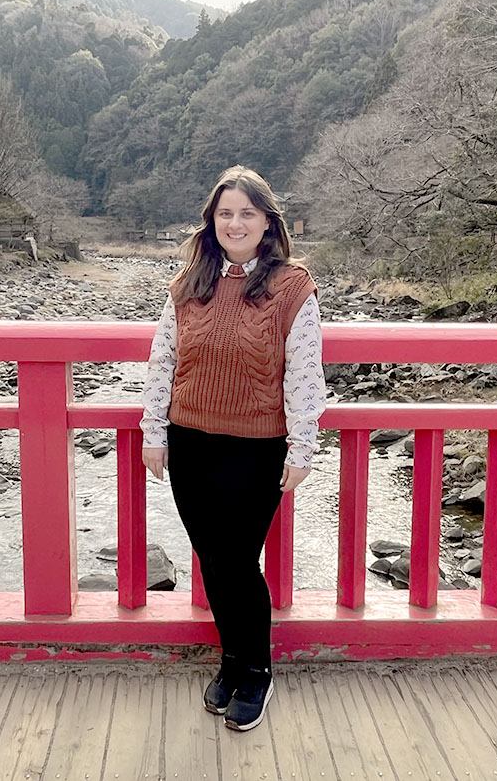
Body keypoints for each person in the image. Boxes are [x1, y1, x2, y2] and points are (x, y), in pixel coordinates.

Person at [140, 165, 326, 732]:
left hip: (255, 446)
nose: (235, 222)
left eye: (247, 212)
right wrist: (154, 430)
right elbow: (163, 361)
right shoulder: (189, 283)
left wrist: (302, 448)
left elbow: (304, 373)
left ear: (268, 221)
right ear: (211, 221)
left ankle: (258, 671)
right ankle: (231, 660)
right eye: (225, 213)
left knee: (239, 564)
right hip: (190, 441)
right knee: (213, 564)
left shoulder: (293, 286)